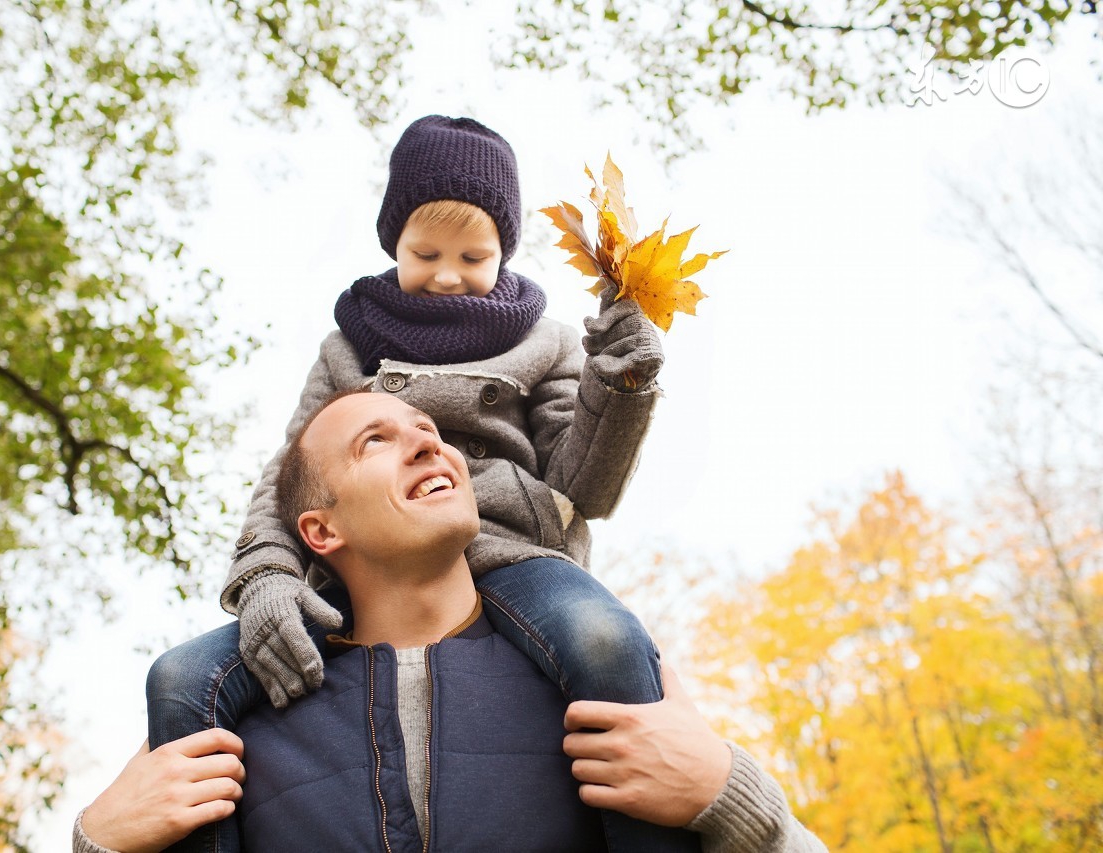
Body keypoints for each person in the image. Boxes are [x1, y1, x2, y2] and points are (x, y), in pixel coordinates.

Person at [148, 114, 672, 851]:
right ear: (393, 240)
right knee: (180, 677)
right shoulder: (351, 345)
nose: (449, 273)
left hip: (515, 554)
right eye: (425, 252)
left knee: (606, 637)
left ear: (505, 253)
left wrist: (620, 385)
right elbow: (291, 476)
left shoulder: (543, 340)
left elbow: (585, 482)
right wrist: (267, 574)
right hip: (366, 558)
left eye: (474, 254)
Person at [75, 392, 826, 852]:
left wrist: (733, 800)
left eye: (427, 428)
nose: (429, 441)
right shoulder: (232, 734)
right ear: (320, 530)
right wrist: (96, 844)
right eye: (377, 440)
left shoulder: (605, 691)